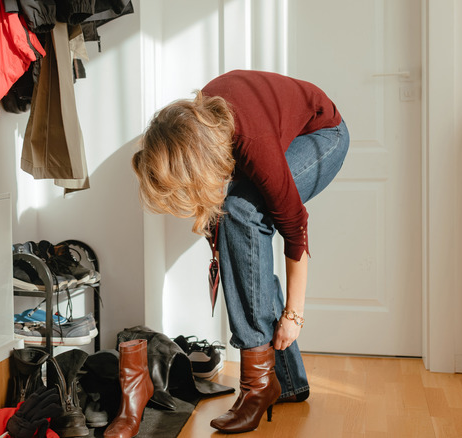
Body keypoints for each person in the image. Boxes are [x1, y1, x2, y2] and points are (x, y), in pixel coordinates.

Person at [131, 70, 349, 433]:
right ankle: (284, 382)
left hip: (322, 134)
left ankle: (258, 385)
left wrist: (293, 316)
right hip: (260, 130)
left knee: (241, 213)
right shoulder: (200, 128)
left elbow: (295, 229)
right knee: (234, 222)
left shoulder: (252, 140)